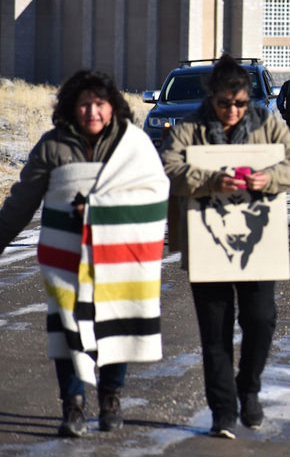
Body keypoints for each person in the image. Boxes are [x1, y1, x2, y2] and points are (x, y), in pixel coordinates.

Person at [0, 70, 169, 438]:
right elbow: (21, 202)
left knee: (115, 323)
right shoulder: (53, 146)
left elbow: (155, 194)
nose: (92, 111)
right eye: (84, 104)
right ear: (71, 108)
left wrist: (97, 211)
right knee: (68, 328)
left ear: (113, 107)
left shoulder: (134, 146)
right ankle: (73, 404)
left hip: (119, 258)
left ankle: (110, 397)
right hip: (66, 259)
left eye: (100, 104)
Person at [160, 54, 290, 438]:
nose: (232, 111)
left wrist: (271, 178)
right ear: (211, 97)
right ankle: (223, 411)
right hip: (207, 243)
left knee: (261, 320)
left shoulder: (265, 123)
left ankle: (249, 386)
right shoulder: (190, 127)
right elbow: (170, 169)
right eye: (224, 103)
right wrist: (210, 180)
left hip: (258, 246)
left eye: (240, 103)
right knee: (215, 331)